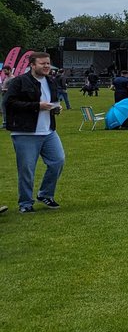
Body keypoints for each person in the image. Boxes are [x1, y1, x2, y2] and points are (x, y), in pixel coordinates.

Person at [4, 52, 65, 214]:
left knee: (58, 161)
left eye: (48, 63)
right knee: (27, 170)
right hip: (25, 132)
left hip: (48, 130)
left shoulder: (51, 81)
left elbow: (51, 101)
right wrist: (36, 106)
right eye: (42, 63)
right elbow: (9, 103)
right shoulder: (19, 82)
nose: (46, 66)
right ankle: (25, 203)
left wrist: (56, 108)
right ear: (32, 65)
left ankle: (45, 194)